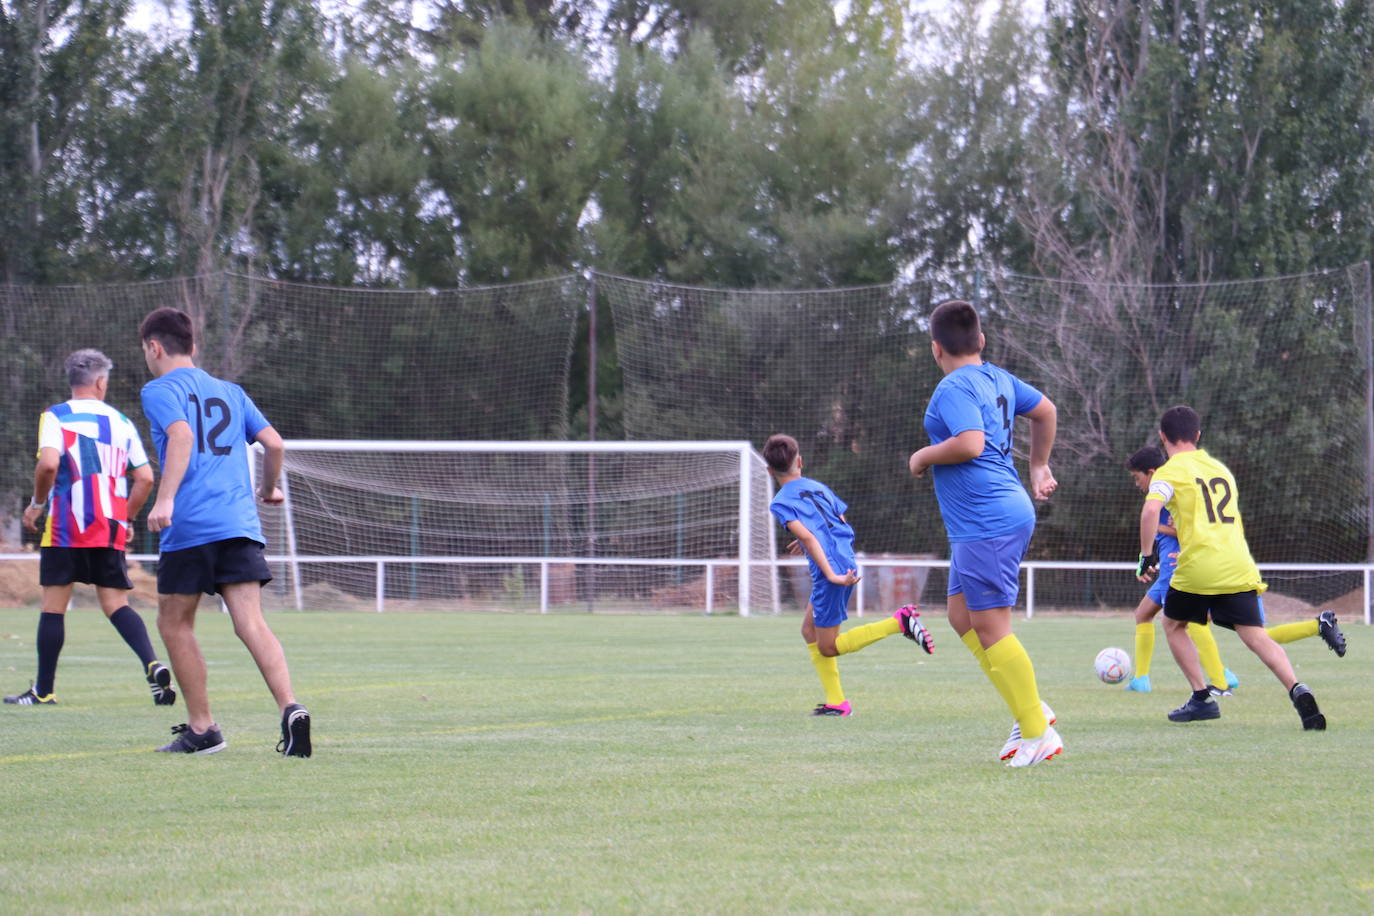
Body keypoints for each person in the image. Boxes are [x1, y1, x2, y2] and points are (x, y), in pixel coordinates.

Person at [139, 307, 311, 756]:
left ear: (154, 348)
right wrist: (268, 489)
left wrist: (166, 499)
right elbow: (274, 443)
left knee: (174, 623)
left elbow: (181, 437)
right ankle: (290, 707)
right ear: (193, 346)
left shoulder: (158, 389)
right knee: (251, 622)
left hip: (191, 527)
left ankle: (203, 729)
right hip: (238, 524)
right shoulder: (232, 392)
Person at [908, 299, 1060, 767]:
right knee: (961, 617)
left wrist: (922, 456)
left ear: (936, 349)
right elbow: (1047, 410)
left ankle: (1038, 731)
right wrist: (1037, 465)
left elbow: (970, 443)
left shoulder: (952, 387)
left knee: (992, 629)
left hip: (987, 519)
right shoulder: (996, 377)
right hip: (989, 517)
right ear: (981, 341)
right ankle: (1026, 708)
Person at [1136, 405, 1327, 729]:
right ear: (1197, 435)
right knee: (1255, 635)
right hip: (1237, 564)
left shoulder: (1169, 471)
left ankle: (1201, 698)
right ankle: (1297, 689)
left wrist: (1146, 555)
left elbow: (1150, 511)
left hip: (1198, 567)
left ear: (1162, 437)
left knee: (1172, 624)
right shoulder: (1220, 470)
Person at [4, 349, 174, 708]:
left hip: (66, 527)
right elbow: (144, 478)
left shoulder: (55, 416)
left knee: (53, 607)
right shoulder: (122, 422)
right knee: (116, 603)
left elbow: (48, 465)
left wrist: (36, 504)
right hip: (107, 527)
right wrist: (124, 518)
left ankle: (44, 691)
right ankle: (153, 664)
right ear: (101, 381)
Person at [1126, 446, 1346, 694]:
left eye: (1137, 477)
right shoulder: (1172, 484)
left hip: (1190, 567)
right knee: (1144, 614)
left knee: (1200, 626)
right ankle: (1141, 679)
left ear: (1152, 472)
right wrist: (1148, 552)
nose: (1136, 484)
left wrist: (1155, 535)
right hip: (1190, 566)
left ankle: (1220, 678)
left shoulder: (1172, 485)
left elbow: (1186, 528)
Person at [764, 434, 933, 717]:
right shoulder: (819, 488)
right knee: (809, 631)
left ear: (770, 471)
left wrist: (831, 574)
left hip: (831, 570)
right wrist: (810, 541)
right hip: (845, 557)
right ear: (800, 462)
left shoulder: (780, 502)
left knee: (828, 647)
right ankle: (837, 702)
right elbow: (838, 523)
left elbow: (809, 536)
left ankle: (898, 623)